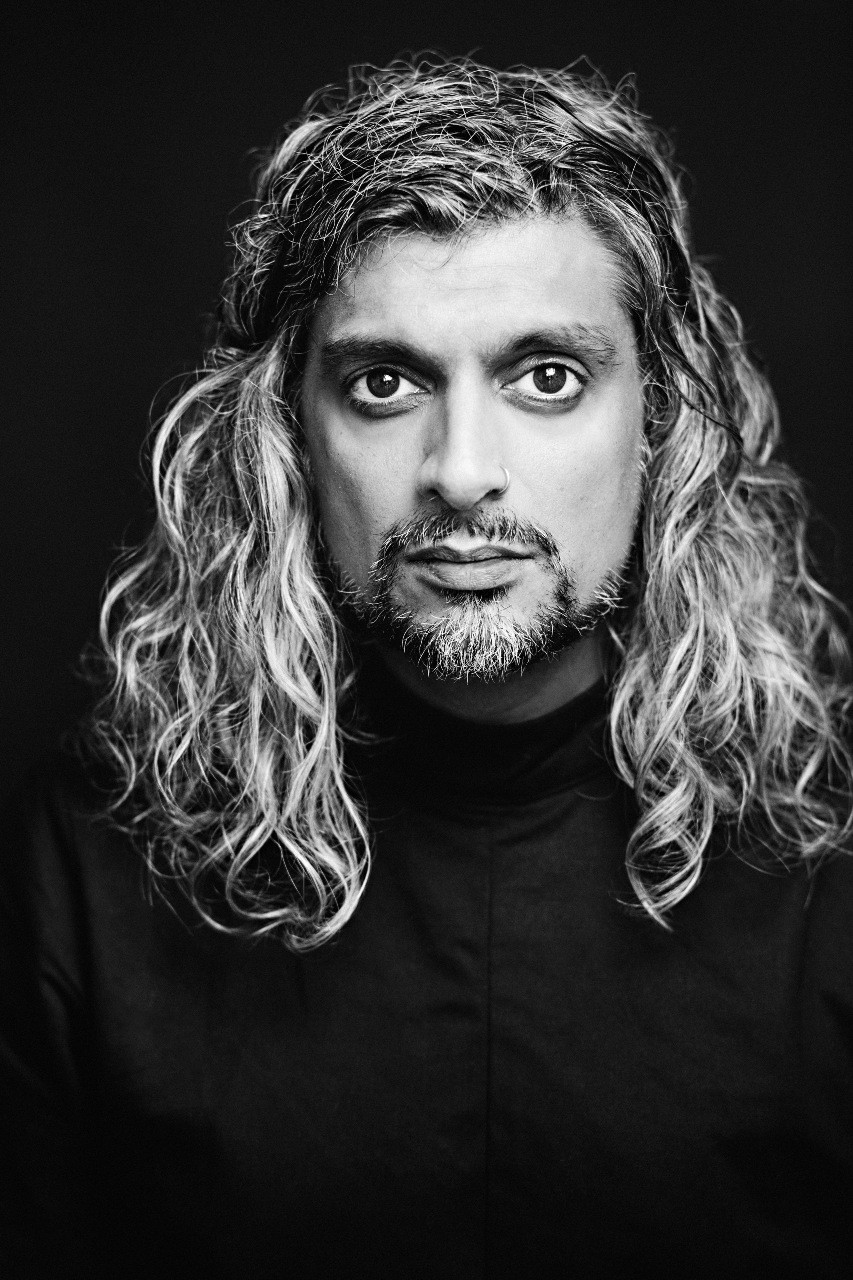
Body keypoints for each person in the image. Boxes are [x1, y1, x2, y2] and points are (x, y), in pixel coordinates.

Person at [1, 55, 851, 1280]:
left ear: (663, 424)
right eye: (386, 381)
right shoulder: (84, 862)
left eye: (545, 377)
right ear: (287, 431)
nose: (460, 469)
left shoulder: (828, 858)